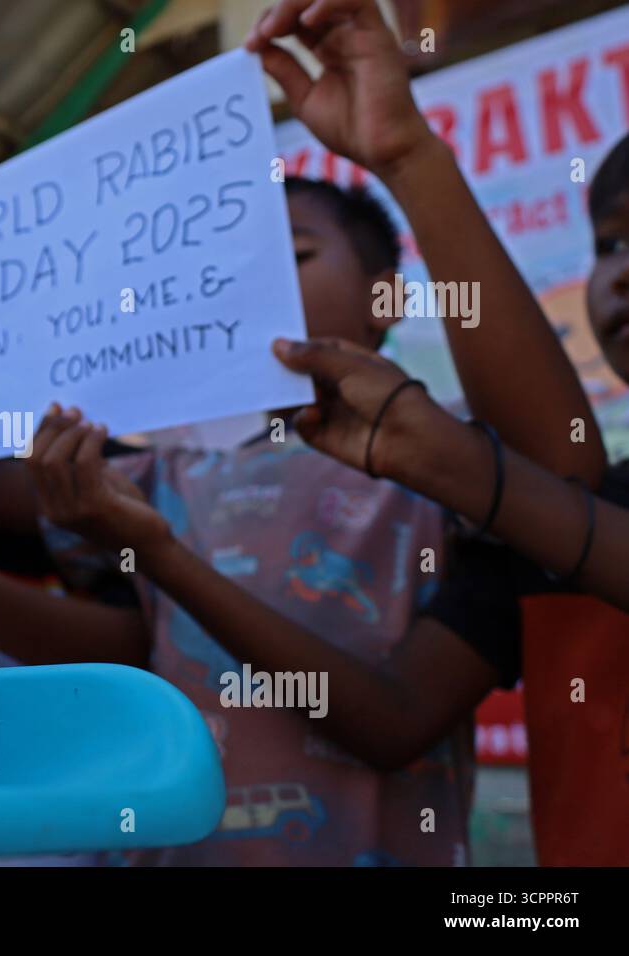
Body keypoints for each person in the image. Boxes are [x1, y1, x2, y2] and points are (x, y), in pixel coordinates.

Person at [17, 0, 606, 865]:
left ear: (385, 299)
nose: (253, 288)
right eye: (226, 269)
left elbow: (559, 479)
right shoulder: (156, 471)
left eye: (291, 257)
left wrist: (405, 151)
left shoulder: (442, 461)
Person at [267, 131, 629, 864]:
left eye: (297, 258)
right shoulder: (558, 523)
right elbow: (394, 716)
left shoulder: (543, 510)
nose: (618, 274)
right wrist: (160, 553)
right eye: (608, 245)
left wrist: (408, 158)